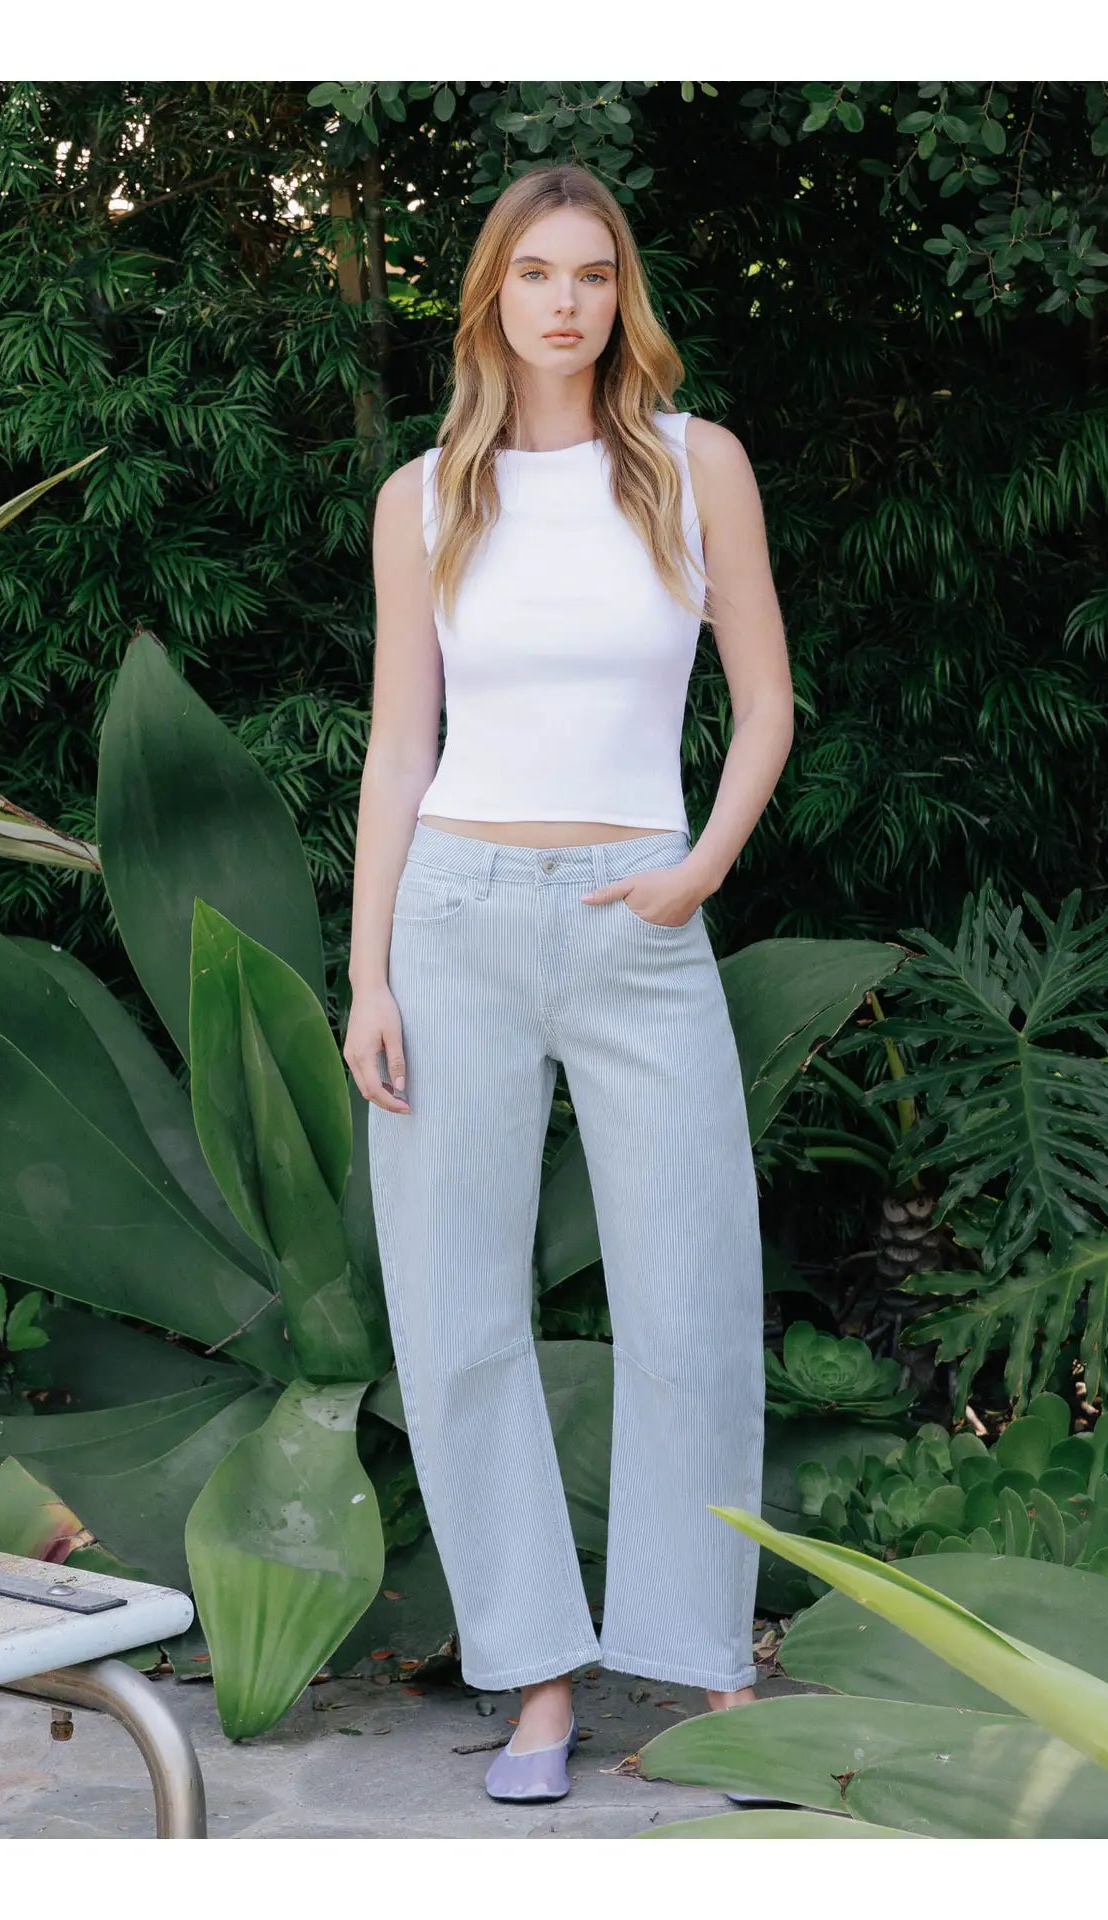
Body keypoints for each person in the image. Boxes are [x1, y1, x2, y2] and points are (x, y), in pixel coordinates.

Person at [344, 161, 793, 1805]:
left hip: (637, 916)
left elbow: (764, 705)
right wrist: (366, 971)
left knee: (690, 1303)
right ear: (491, 296)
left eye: (592, 275)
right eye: (534, 273)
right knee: (457, 1315)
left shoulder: (695, 469)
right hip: (454, 912)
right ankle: (535, 1679)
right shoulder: (427, 496)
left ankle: (696, 1667)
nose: (564, 302)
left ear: (622, 296)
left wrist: (698, 869)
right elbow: (402, 746)